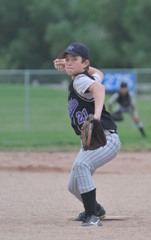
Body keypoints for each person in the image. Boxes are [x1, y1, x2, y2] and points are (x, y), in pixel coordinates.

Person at [53, 42, 121, 227]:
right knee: (73, 186)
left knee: (82, 165)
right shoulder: (85, 77)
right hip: (94, 141)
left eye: (74, 59)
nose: (69, 63)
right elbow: (99, 76)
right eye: (67, 60)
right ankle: (96, 208)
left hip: (106, 138)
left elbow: (100, 89)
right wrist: (78, 66)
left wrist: (97, 116)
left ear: (85, 63)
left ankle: (93, 216)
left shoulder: (80, 80)